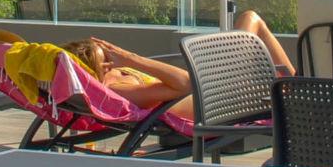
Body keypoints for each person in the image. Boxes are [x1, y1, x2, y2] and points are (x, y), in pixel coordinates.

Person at [67, 10, 293, 120]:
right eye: (104, 61)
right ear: (91, 71)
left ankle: (294, 87)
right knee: (251, 20)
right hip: (216, 102)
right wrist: (131, 58)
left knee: (250, 18)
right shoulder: (115, 90)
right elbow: (185, 84)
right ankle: (296, 90)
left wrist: (125, 62)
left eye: (108, 54)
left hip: (213, 90)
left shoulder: (115, 77)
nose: (111, 62)